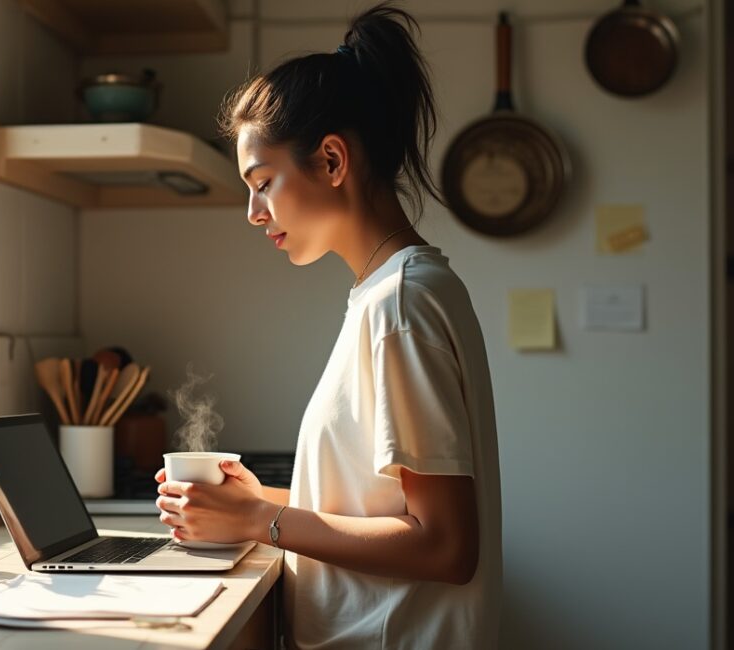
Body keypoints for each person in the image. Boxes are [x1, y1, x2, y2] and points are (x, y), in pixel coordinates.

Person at [154, 2, 501, 647]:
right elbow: (375, 508)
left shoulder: (401, 303)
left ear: (333, 160)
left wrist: (259, 519)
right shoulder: (387, 294)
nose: (254, 212)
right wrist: (257, 501)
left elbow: (447, 546)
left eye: (262, 182)